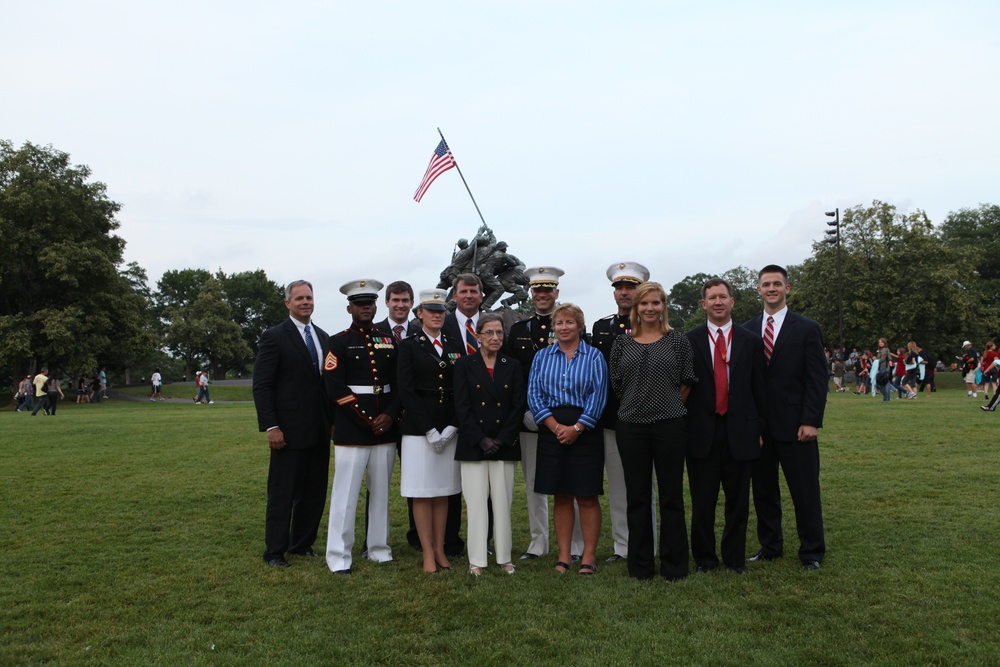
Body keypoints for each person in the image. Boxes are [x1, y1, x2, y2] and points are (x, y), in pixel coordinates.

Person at [744, 265, 828, 570]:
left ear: (787, 288)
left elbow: (817, 379)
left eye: (777, 284)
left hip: (797, 426)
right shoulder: (748, 329)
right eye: (766, 284)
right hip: (761, 429)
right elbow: (747, 383)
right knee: (764, 492)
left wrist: (811, 421)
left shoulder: (807, 328)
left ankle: (812, 551)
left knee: (805, 492)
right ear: (758, 290)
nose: (771, 289)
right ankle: (770, 545)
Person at [609, 282, 695, 580]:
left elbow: (686, 381)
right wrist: (640, 405)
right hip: (631, 427)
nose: (649, 308)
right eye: (643, 304)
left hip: (670, 425)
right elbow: (617, 384)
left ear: (663, 307)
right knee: (638, 497)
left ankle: (675, 567)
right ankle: (641, 566)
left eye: (655, 303)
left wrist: (664, 406)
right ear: (635, 309)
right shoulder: (622, 343)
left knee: (671, 497)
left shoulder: (677, 341)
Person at [684, 278, 765, 575]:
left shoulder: (751, 341)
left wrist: (759, 429)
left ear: (732, 301)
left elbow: (760, 391)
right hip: (701, 431)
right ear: (703, 304)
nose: (718, 302)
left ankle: (734, 558)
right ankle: (705, 559)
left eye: (723, 297)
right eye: (712, 298)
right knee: (703, 502)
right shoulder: (688, 341)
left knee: (738, 502)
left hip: (740, 431)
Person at [324, 279, 402, 575]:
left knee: (381, 492)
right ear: (350, 308)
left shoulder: (387, 339)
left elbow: (398, 384)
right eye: (360, 304)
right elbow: (335, 386)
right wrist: (367, 419)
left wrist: (390, 415)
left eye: (369, 303)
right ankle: (338, 555)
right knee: (345, 495)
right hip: (352, 428)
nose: (365, 308)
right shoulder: (338, 341)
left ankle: (379, 548)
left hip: (385, 427)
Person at [253, 280, 332, 567]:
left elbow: (326, 386)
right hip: (287, 431)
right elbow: (262, 385)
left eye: (309, 297)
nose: (305, 302)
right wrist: (271, 426)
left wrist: (332, 422)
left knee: (314, 492)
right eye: (299, 298)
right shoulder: (274, 336)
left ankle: (302, 544)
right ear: (287, 303)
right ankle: (274, 551)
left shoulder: (323, 337)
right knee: (282, 494)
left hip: (319, 430)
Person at [528, 303, 607, 575]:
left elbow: (599, 395)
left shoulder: (594, 356)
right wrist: (554, 426)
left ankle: (588, 555)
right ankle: (563, 556)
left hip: (584, 430)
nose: (564, 327)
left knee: (586, 495)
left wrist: (577, 427)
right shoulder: (542, 356)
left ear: (580, 326)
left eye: (569, 322)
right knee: (561, 495)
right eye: (559, 323)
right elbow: (534, 394)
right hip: (552, 429)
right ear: (554, 327)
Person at [504, 266, 572, 560]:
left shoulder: (570, 327)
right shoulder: (519, 330)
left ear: (557, 293)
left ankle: (577, 544)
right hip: (530, 417)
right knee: (534, 484)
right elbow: (513, 375)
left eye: (548, 290)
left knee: (570, 481)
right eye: (537, 291)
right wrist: (524, 411)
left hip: (564, 417)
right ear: (532, 294)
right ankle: (538, 543)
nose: (542, 295)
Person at [397, 289, 464, 573]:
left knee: (444, 491)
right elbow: (406, 391)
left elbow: (460, 389)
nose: (437, 315)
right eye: (431, 311)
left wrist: (451, 426)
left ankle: (440, 549)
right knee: (423, 492)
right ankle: (427, 552)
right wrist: (428, 429)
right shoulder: (409, 346)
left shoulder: (453, 345)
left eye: (441, 311)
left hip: (448, 428)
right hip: (417, 430)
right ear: (419, 314)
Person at [454, 312, 524, 576]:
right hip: (474, 444)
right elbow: (461, 407)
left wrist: (501, 439)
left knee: (502, 503)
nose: (495, 338)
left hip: (503, 444)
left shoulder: (512, 365)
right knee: (476, 504)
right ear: (477, 335)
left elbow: (518, 406)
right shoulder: (464, 364)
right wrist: (480, 439)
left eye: (499, 333)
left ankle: (505, 557)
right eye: (489, 333)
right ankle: (477, 560)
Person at [591, 261, 651, 563]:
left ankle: (648, 544)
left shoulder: (653, 324)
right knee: (616, 485)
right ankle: (623, 546)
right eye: (619, 287)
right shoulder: (601, 327)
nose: (624, 292)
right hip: (612, 418)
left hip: (646, 417)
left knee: (644, 485)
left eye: (630, 287)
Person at [372, 280, 422, 552]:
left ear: (412, 303)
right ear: (387, 302)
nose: (400, 305)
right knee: (377, 482)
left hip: (414, 421)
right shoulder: (373, 331)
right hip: (383, 420)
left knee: (417, 481)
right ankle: (374, 538)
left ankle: (418, 536)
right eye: (395, 300)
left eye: (405, 300)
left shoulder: (421, 331)